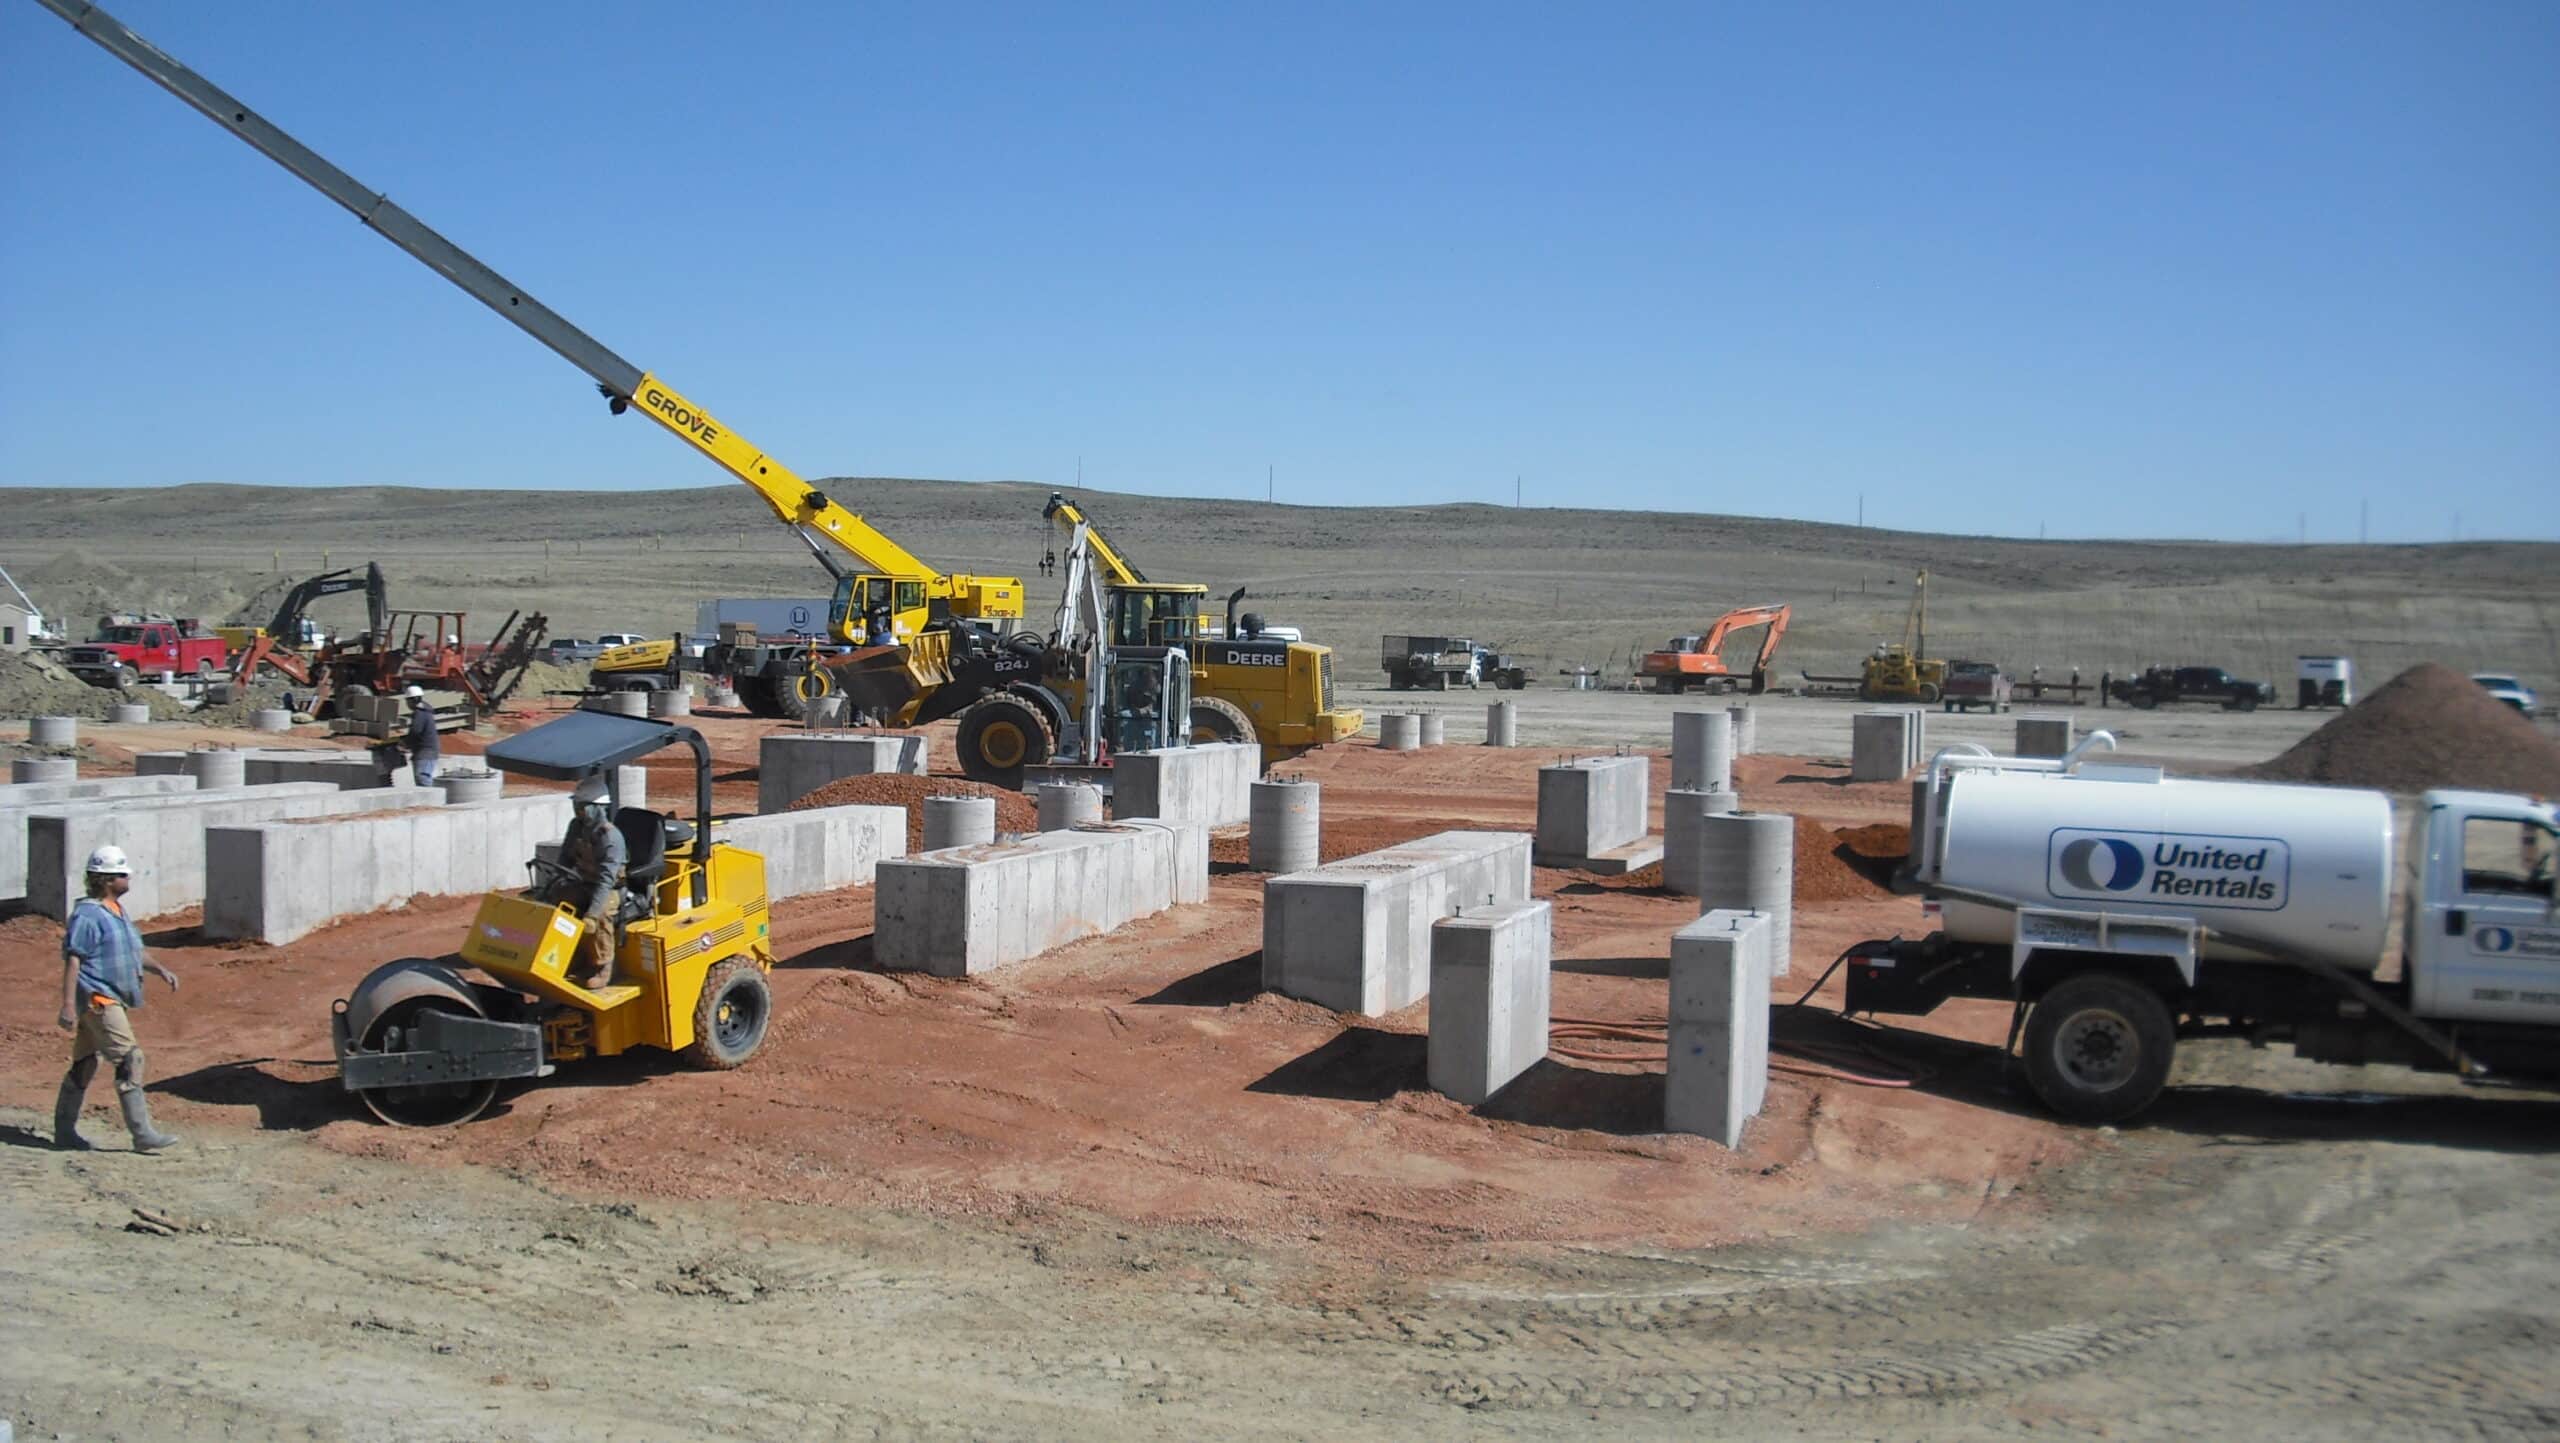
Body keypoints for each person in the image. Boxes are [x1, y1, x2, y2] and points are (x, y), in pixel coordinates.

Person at [54, 845, 180, 1152]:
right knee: (129, 1058)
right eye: (123, 875)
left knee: (85, 1062)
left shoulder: (117, 912)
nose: (128, 879)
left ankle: (63, 1131)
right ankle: (142, 1134)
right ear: (107, 880)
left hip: (108, 999)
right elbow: (74, 960)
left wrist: (160, 970)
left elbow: (134, 951)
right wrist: (69, 1005)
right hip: (99, 1000)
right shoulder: (88, 915)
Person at [553, 776, 628, 989]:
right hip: (584, 882)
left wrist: (592, 914)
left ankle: (604, 965)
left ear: (598, 808)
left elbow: (606, 880)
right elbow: (565, 858)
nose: (578, 810)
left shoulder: (610, 837)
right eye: (576, 805)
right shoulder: (576, 827)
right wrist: (555, 883)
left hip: (610, 889)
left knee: (603, 914)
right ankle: (573, 956)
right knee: (560, 899)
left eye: (582, 807)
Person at [402, 684, 439, 786]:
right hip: (426, 751)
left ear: (412, 700)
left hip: (425, 752)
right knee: (422, 779)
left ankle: (430, 800)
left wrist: (404, 743)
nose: (407, 704)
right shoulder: (425, 711)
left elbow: (415, 731)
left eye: (407, 701)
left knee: (422, 778)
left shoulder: (420, 713)